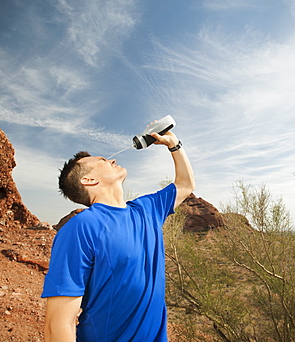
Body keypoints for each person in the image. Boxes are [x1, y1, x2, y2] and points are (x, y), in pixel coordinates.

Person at [42, 128, 195, 342]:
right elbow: (58, 323)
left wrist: (174, 145)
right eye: (103, 160)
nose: (112, 160)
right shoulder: (81, 227)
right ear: (88, 180)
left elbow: (185, 185)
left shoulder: (147, 209)